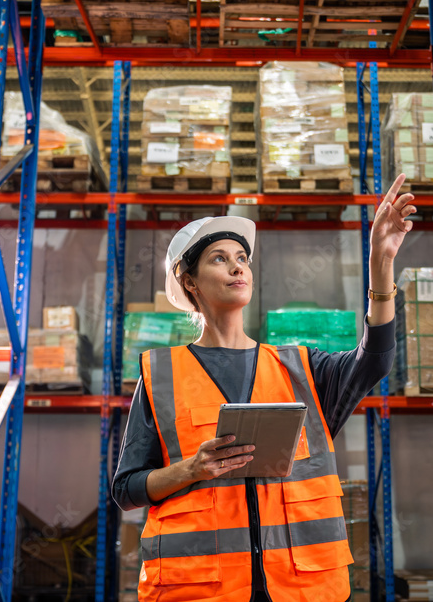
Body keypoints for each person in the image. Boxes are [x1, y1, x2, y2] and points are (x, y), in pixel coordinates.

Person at [112, 174, 417, 601]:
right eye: (219, 258)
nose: (238, 266)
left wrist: (380, 264)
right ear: (190, 282)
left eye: (242, 258)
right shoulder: (161, 374)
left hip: (300, 587)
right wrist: (190, 470)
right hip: (203, 591)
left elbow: (376, 357)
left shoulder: (301, 368)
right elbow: (126, 489)